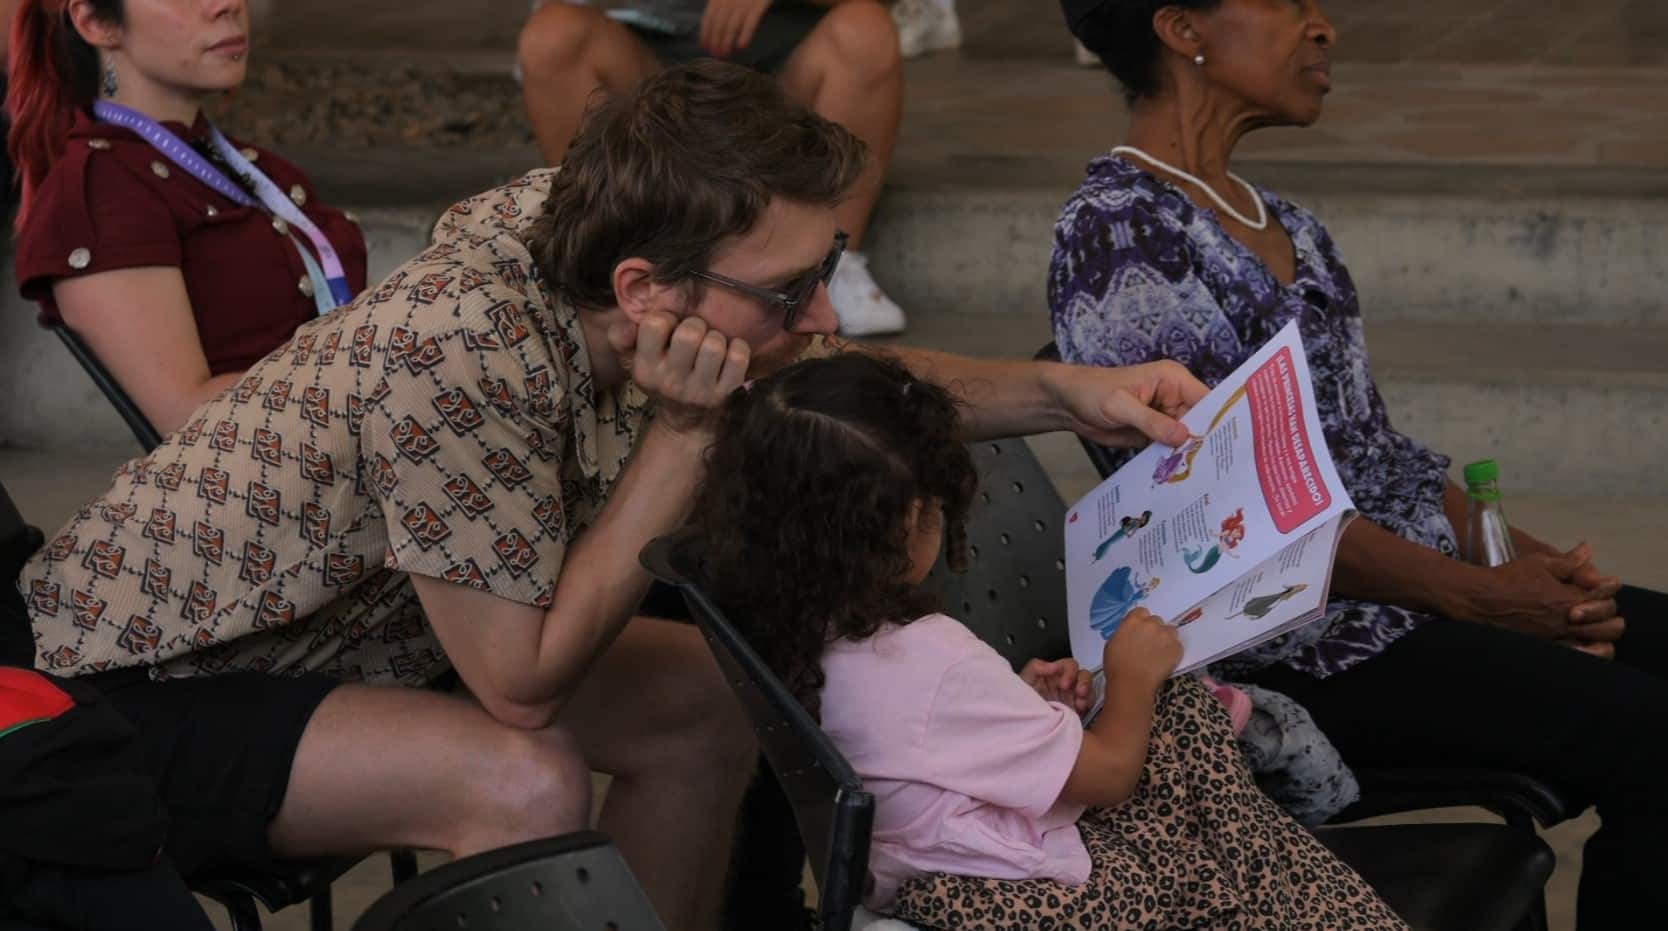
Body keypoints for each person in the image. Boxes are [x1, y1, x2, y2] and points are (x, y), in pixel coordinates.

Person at [15, 61, 1209, 931]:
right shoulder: (458, 355)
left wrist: (1065, 392)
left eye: (825, 272)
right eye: (790, 288)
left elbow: (821, 375)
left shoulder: (628, 233)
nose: (820, 315)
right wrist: (684, 434)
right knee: (514, 778)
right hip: (152, 683)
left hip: (373, 626)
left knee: (708, 699)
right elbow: (521, 685)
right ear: (645, 290)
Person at [1051, 2, 1668, 927]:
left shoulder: (1289, 224)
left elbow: (1385, 463)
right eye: (1288, 4)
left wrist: (1528, 568)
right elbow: (1235, 521)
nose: (1324, 27)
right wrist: (1479, 601)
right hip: (1295, 646)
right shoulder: (1120, 236)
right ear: (1183, 28)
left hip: (1400, 605)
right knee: (1649, 737)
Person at [690, 351, 1406, 929]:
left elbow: (930, 743)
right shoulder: (929, 655)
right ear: (911, 520)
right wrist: (1133, 678)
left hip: (941, 886)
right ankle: (1307, 898)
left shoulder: (794, 628)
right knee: (1183, 717)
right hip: (1052, 903)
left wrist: (1022, 700)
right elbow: (1106, 775)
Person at [8, 0, 368, 437]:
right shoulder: (101, 193)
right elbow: (188, 418)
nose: (227, 5)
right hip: (272, 488)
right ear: (95, 22)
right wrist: (382, 364)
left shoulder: (259, 171)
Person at [516, 0, 910, 336]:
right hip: (647, 52)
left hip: (782, 52)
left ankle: (831, 266)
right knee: (554, 35)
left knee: (865, 29)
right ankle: (600, 253)